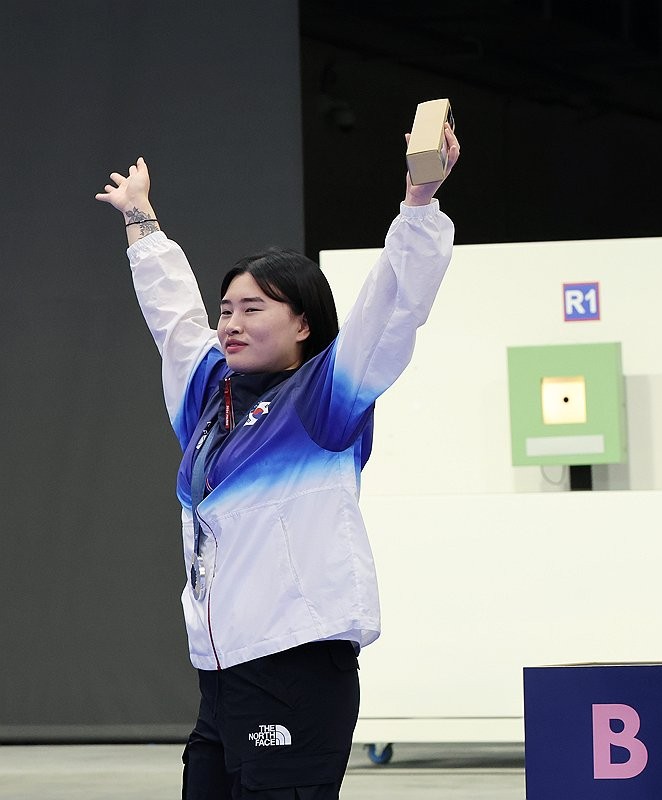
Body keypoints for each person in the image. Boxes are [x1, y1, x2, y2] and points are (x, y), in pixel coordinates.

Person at [94, 123, 460, 798]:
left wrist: (419, 202)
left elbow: (394, 308)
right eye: (227, 308)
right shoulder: (209, 395)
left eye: (252, 308)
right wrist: (142, 221)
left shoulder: (327, 396)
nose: (229, 322)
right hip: (220, 674)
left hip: (297, 666)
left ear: (302, 324)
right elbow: (174, 317)